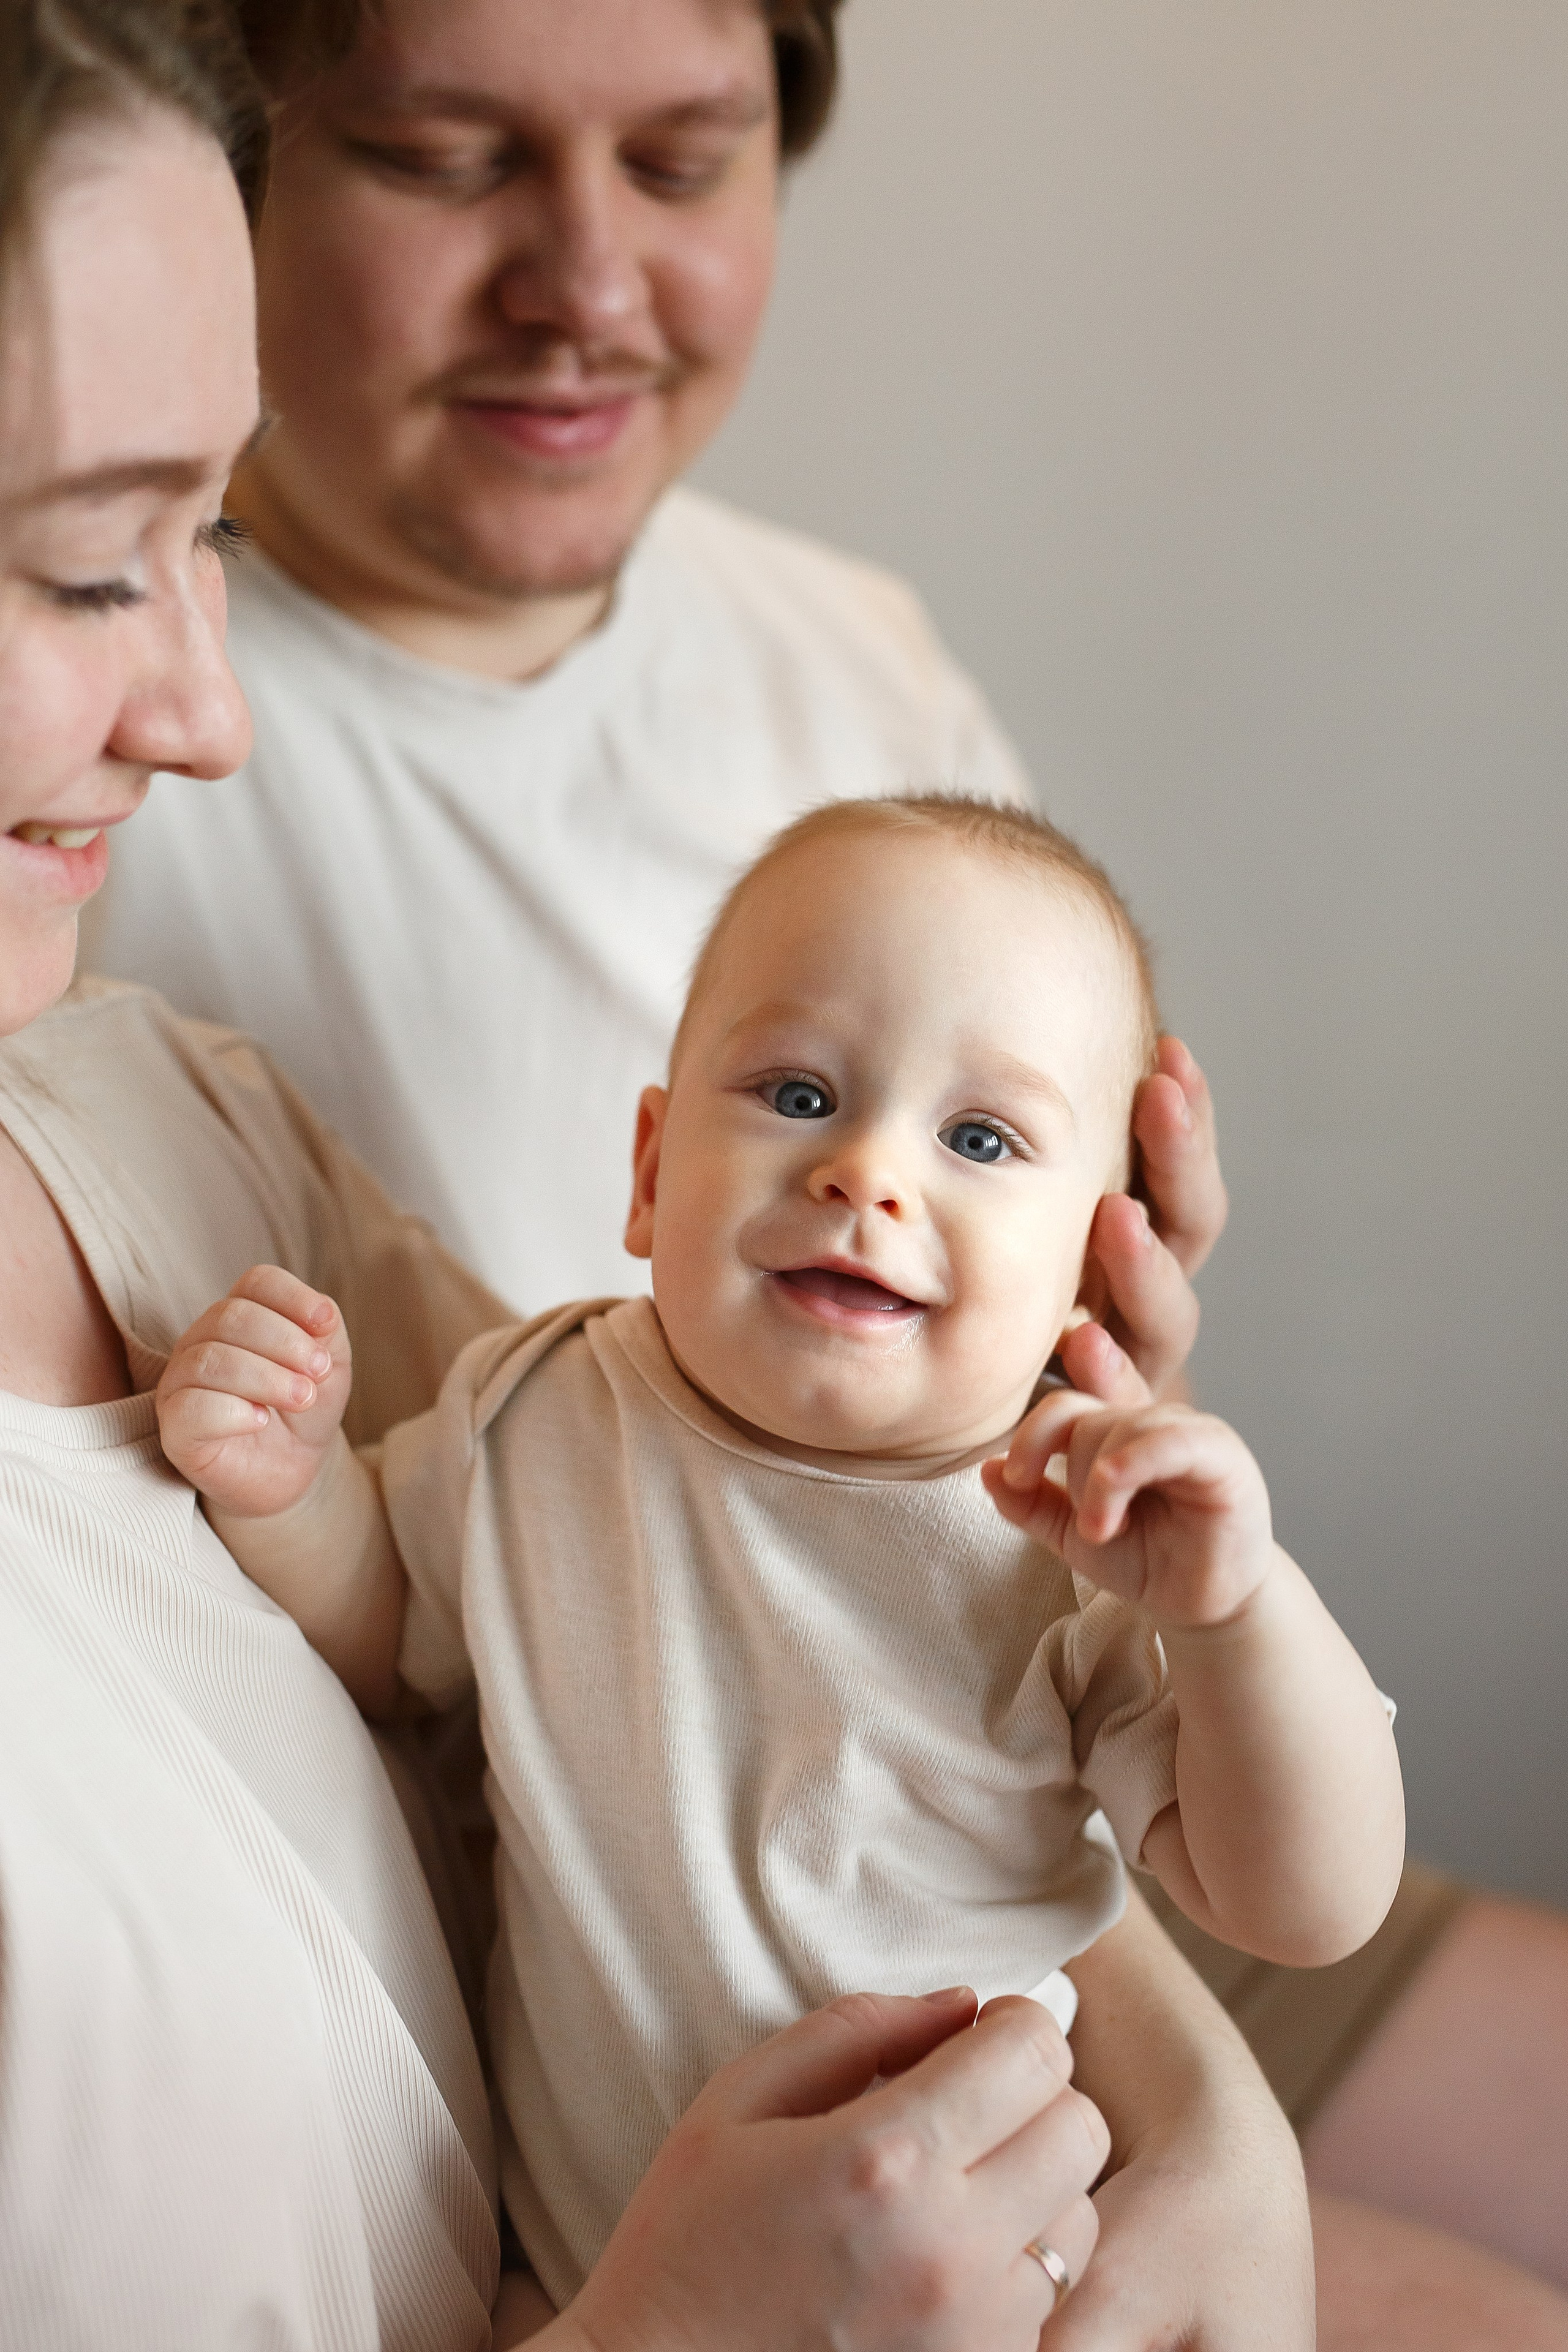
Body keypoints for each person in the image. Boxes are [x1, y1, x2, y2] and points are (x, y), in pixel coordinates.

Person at [81, 0, 1568, 2301]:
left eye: (684, 165)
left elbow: (1226, 1819)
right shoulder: (104, 790)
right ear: (238, 163)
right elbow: (401, 1617)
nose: (586, 284)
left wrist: (1124, 1421)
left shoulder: (838, 655)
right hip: (639, 1871)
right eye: (448, 159)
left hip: (1020, 1777)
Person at [157, 793, 1406, 2316]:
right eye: (797, 1094)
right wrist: (286, 1486)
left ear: (1092, 1260)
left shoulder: (1070, 1538)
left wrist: (1237, 1616)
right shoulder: (534, 1404)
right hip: (613, 2282)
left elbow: (1306, 1905)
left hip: (995, 2282)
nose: (869, 1170)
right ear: (648, 1167)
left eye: (978, 1137)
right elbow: (396, 1618)